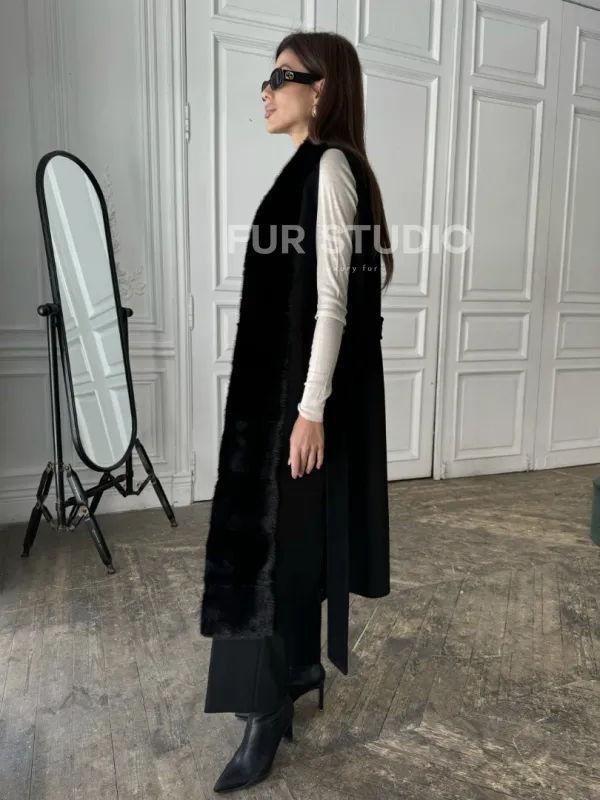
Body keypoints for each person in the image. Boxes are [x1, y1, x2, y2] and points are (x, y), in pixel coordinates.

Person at [199, 30, 393, 793]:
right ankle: (297, 670)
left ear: (322, 89)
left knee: (267, 556)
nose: (267, 88)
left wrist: (310, 410)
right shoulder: (304, 169)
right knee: (279, 546)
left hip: (294, 404)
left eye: (283, 75)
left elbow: (332, 304)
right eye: (268, 75)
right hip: (271, 397)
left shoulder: (334, 168)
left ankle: (264, 710)